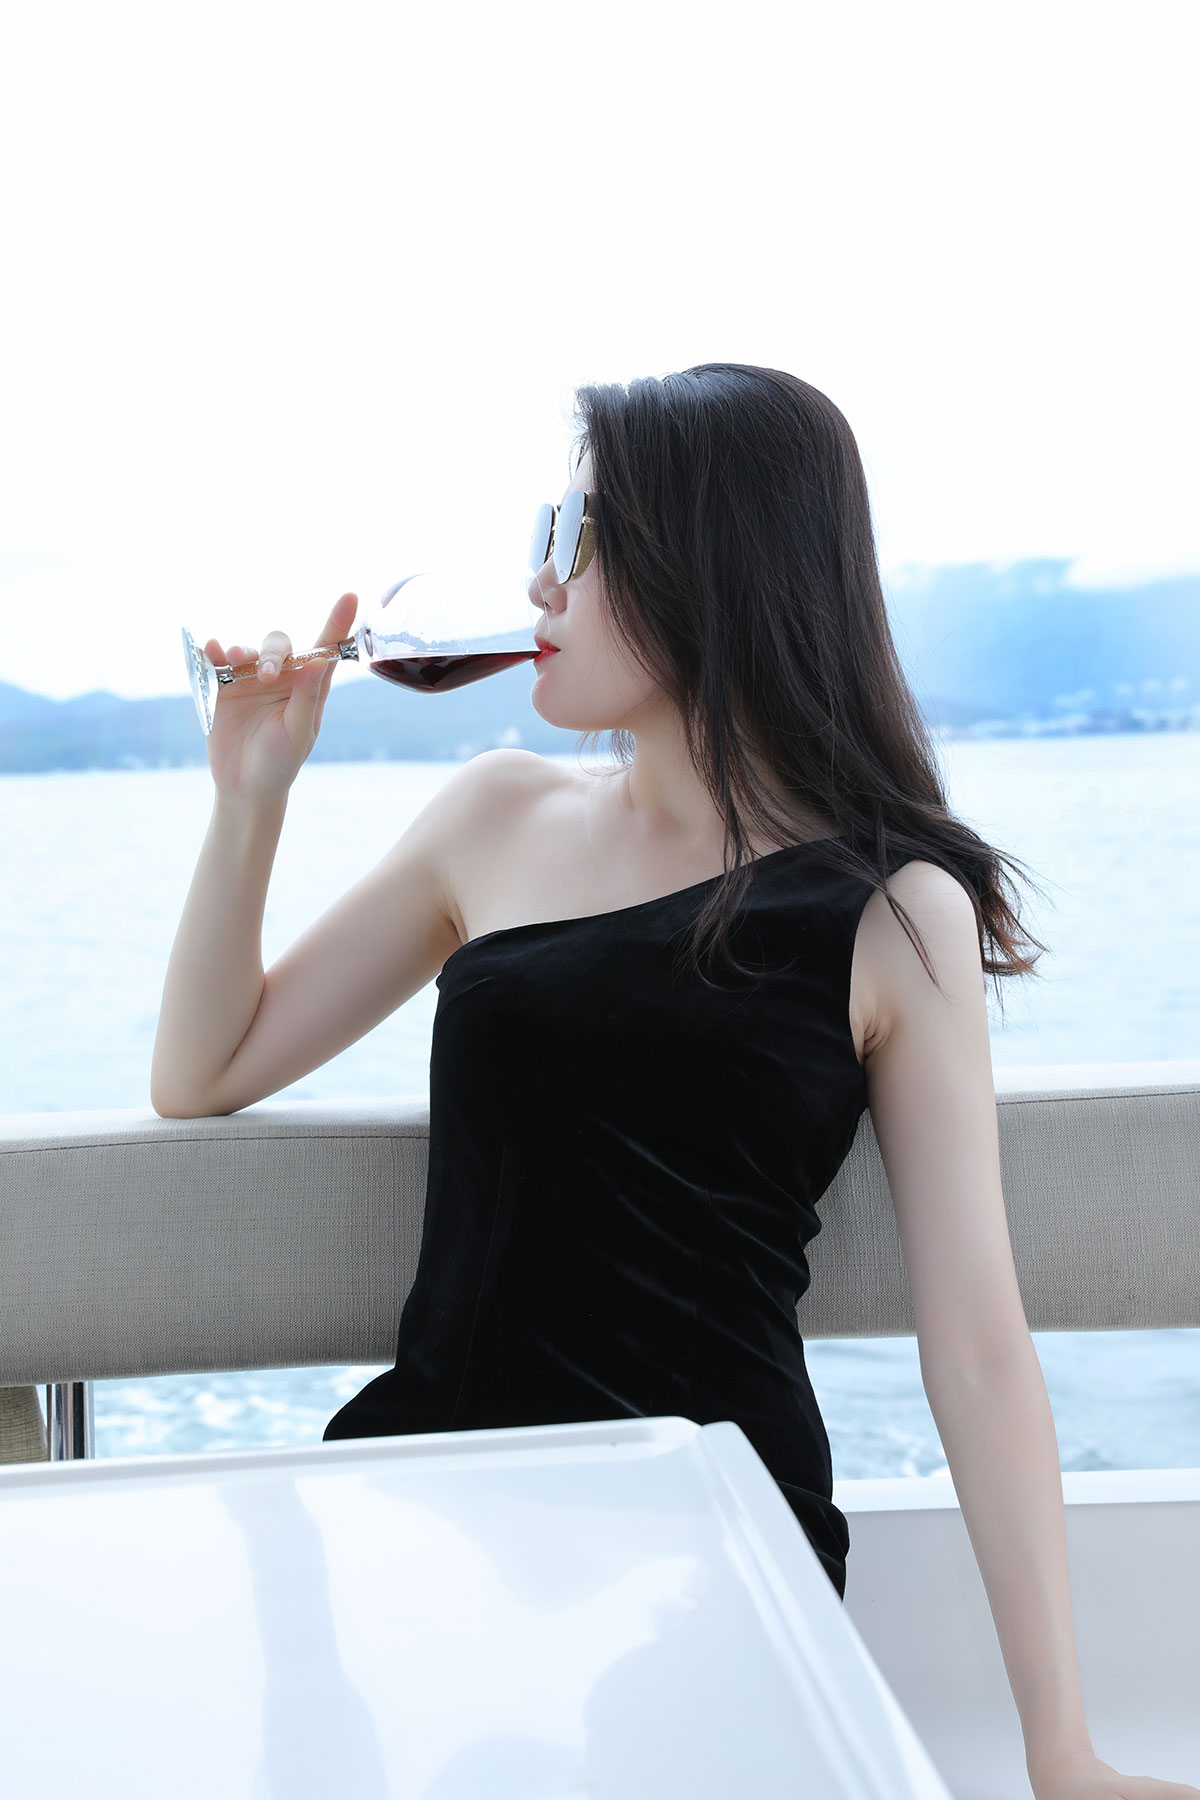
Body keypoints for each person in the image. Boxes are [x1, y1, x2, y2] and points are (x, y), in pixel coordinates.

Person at [152, 364, 1198, 1800]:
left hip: (710, 1552)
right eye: (546, 530)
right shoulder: (496, 813)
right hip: (435, 1515)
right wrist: (250, 801)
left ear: (711, 558)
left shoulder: (895, 910)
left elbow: (976, 1344)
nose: (540, 578)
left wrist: (1060, 1753)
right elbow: (202, 1070)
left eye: (578, 535)